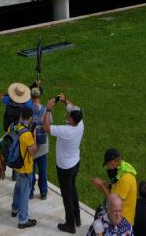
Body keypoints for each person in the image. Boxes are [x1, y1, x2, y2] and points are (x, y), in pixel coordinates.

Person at [45, 93, 84, 233]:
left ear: (72, 120)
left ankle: (70, 224)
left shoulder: (66, 130)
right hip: (75, 164)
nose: (66, 116)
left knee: (67, 196)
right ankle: (77, 218)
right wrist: (65, 101)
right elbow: (73, 109)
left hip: (65, 168)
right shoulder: (80, 123)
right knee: (73, 189)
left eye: (68, 116)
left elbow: (46, 128)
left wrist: (48, 110)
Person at [9, 102, 38, 229]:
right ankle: (23, 220)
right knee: (25, 193)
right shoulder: (27, 135)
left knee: (18, 188)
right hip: (25, 167)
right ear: (31, 118)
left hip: (15, 164)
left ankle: (14, 209)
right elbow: (33, 151)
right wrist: (34, 136)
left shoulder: (14, 126)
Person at [92, 148, 138, 226]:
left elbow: (114, 202)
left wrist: (102, 186)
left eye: (107, 165)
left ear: (112, 163)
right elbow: (115, 186)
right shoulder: (123, 168)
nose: (108, 168)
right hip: (118, 215)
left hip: (122, 221)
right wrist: (105, 184)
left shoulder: (125, 178)